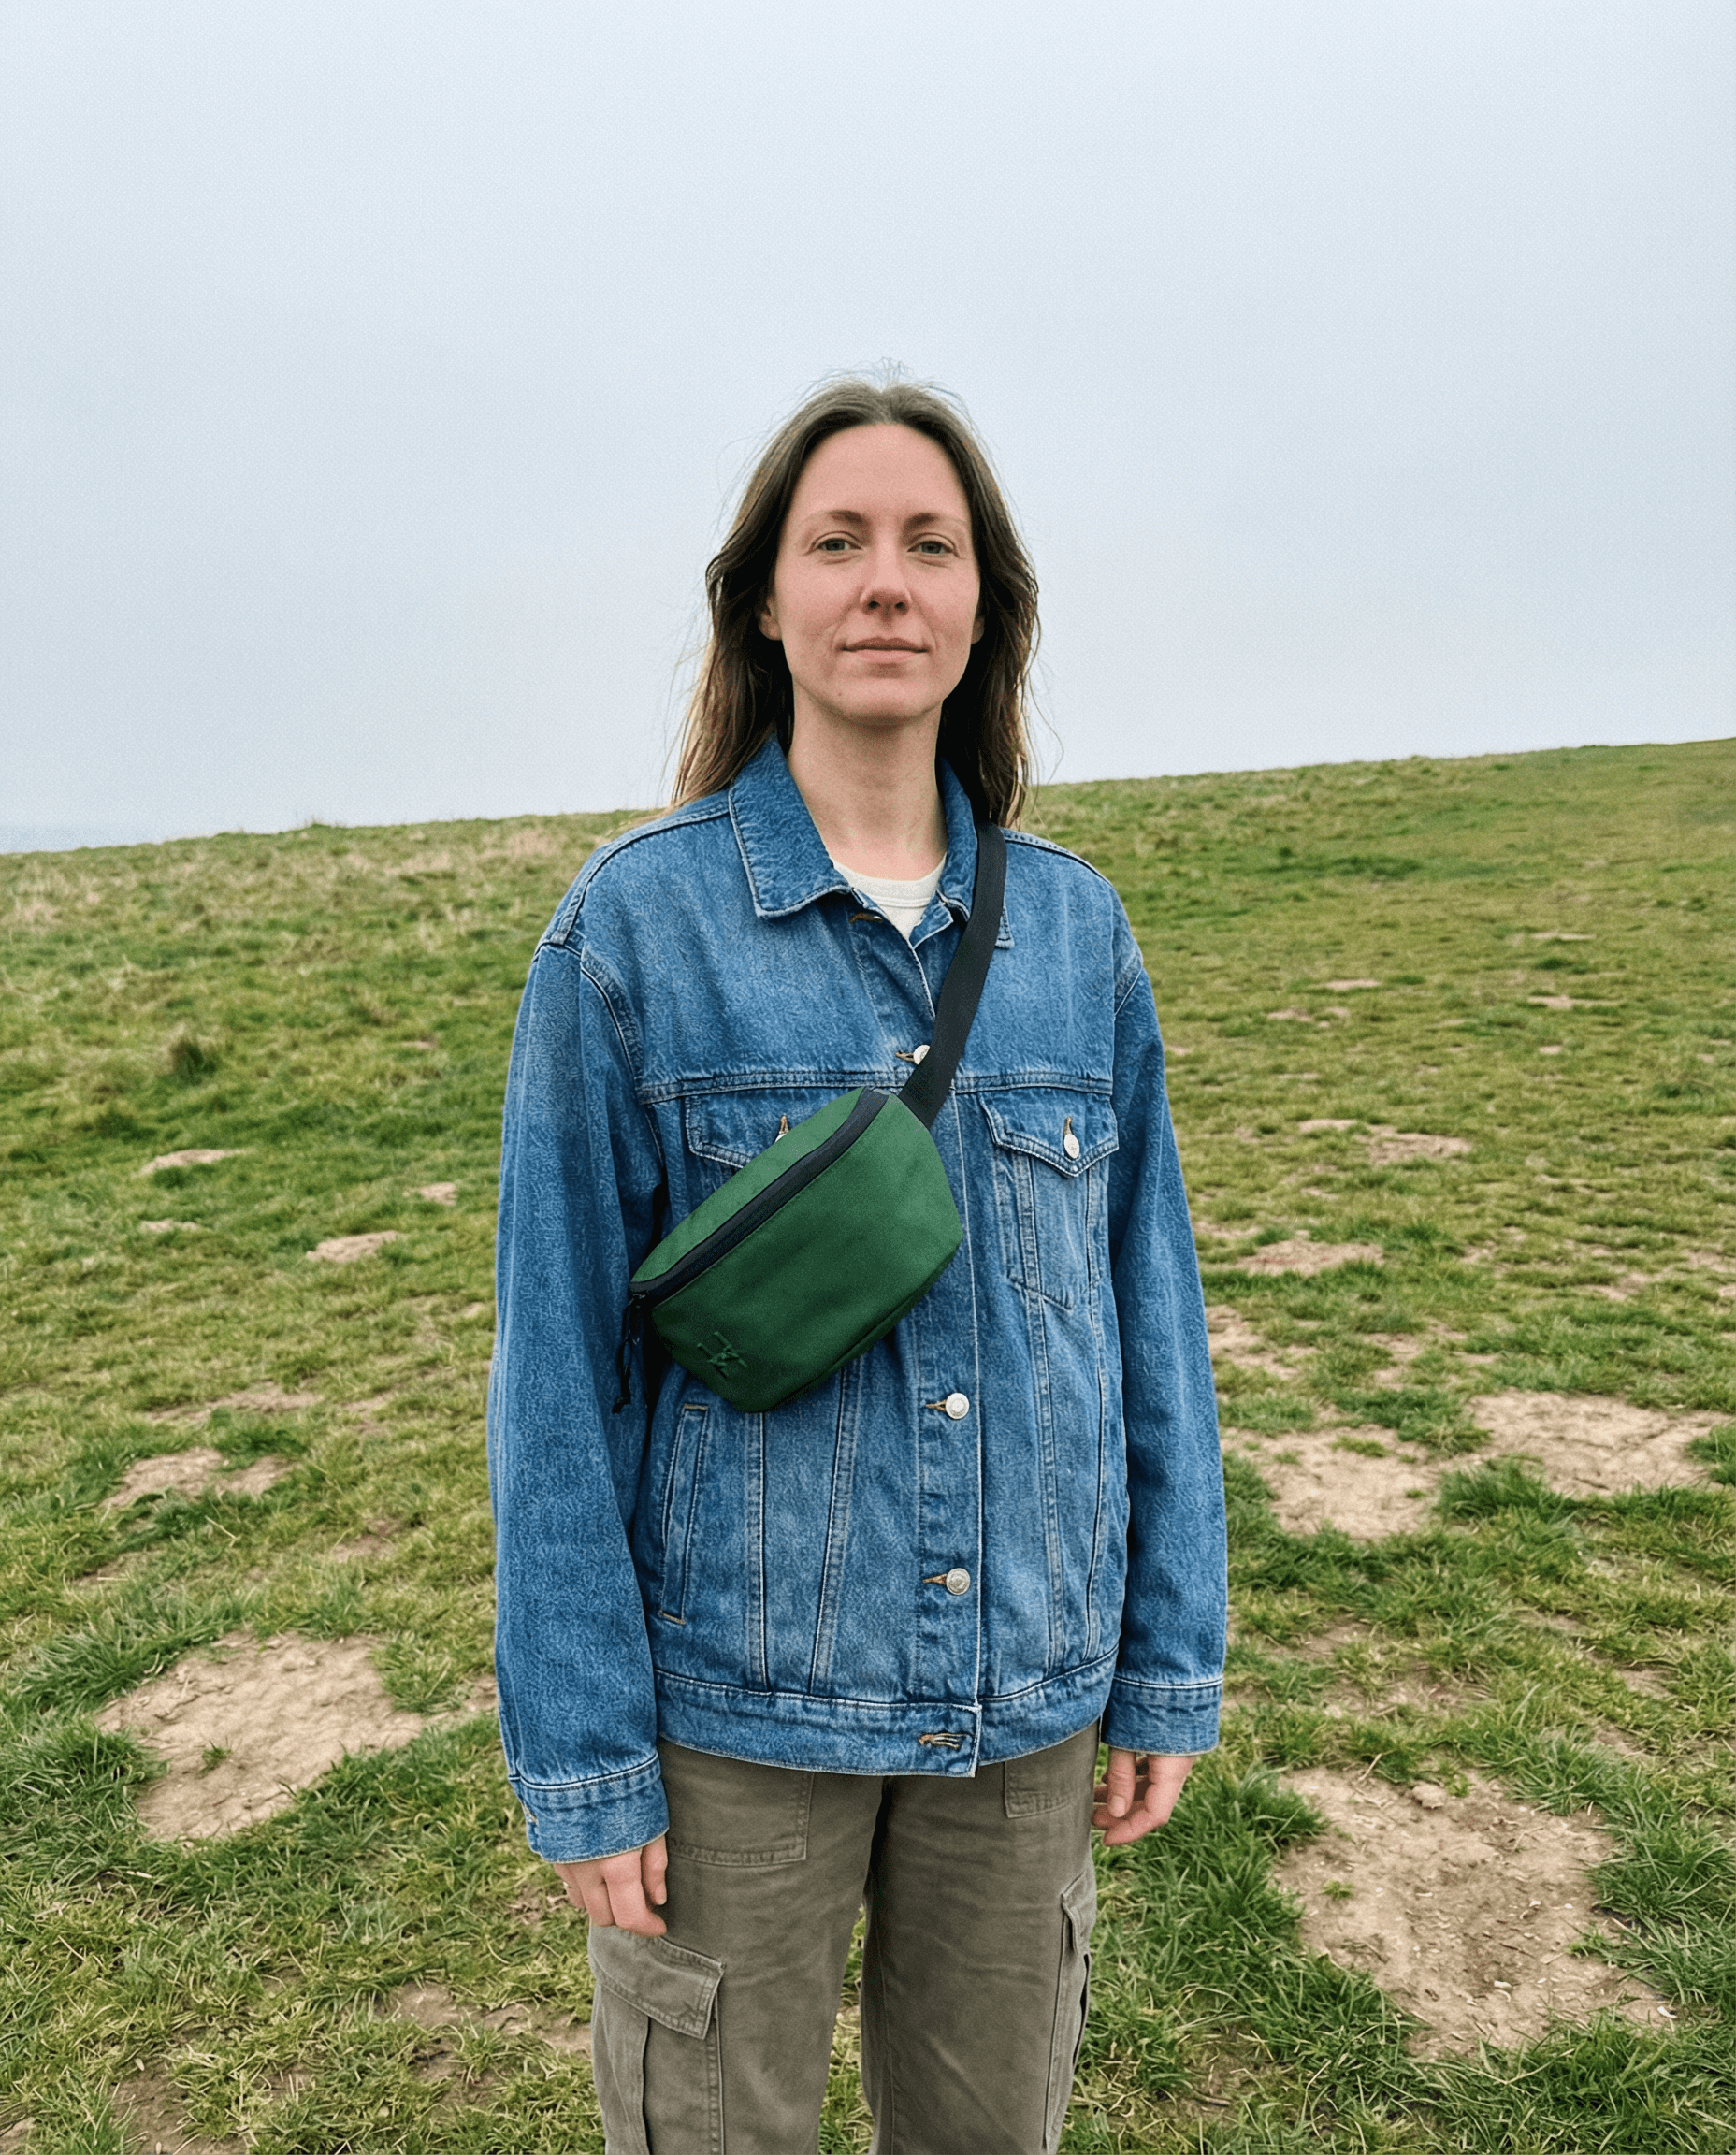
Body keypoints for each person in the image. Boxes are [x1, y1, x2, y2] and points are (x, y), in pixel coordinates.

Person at [488, 375, 1227, 2154]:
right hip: (738, 1710)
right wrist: (586, 1750)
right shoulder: (632, 933)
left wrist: (1166, 1659)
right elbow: (553, 1368)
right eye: (838, 542)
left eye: (929, 543)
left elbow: (1155, 1312)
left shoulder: (1074, 931)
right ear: (767, 598)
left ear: (985, 607)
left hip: (1028, 1708)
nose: (884, 582)